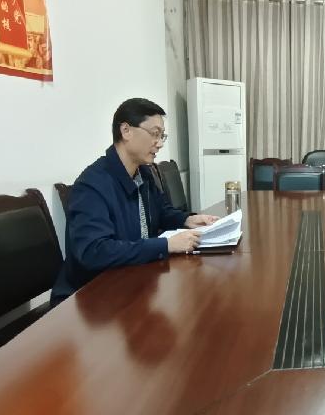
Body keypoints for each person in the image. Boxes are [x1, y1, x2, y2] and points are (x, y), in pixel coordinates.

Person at [51, 98, 219, 305]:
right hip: (90, 298)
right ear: (126, 131)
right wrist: (165, 245)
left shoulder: (143, 173)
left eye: (162, 136)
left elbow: (161, 212)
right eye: (155, 134)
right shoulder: (91, 185)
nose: (160, 143)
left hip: (132, 279)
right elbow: (94, 251)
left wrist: (187, 220)